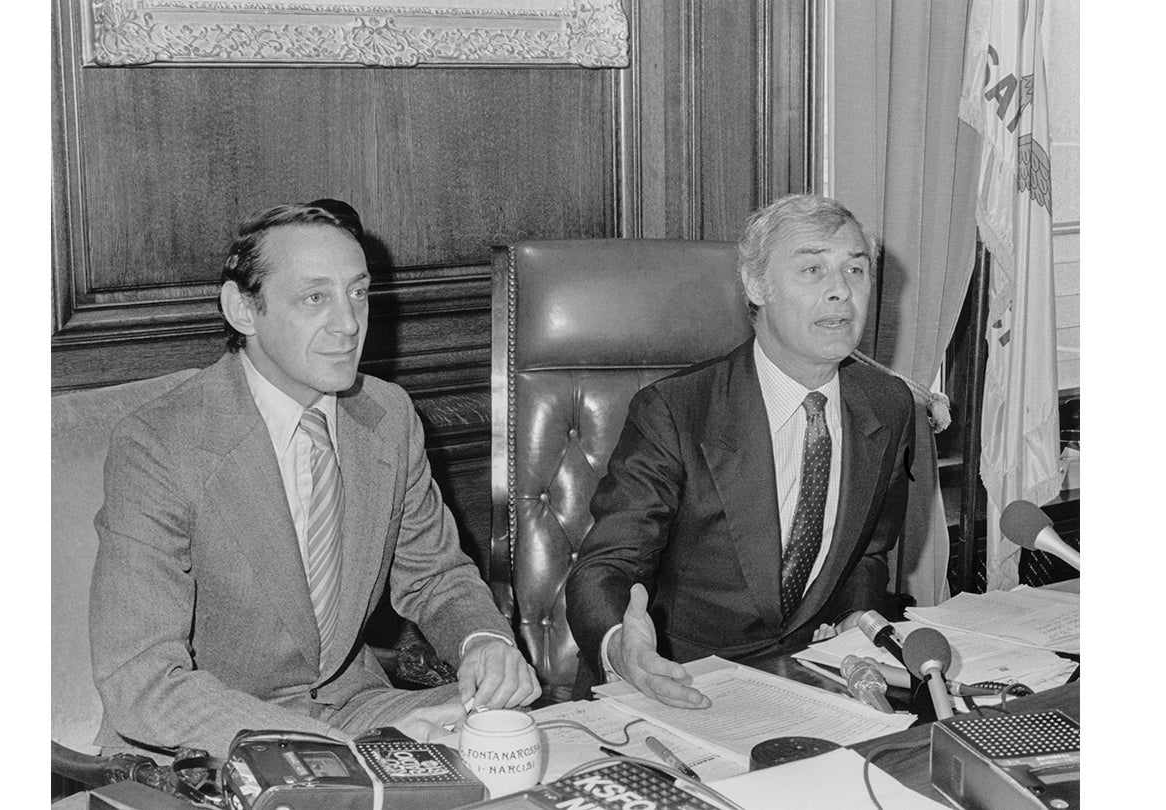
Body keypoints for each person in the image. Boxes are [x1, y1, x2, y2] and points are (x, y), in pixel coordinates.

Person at [89, 200, 540, 758]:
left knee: (521, 737)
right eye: (314, 298)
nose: (349, 324)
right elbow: (143, 681)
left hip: (357, 708)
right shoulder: (160, 443)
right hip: (202, 742)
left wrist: (485, 642)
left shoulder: (389, 414)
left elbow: (436, 576)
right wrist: (338, 750)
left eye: (358, 292)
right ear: (243, 310)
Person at [565, 194, 915, 709]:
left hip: (815, 682)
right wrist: (622, 646)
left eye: (855, 270)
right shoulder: (676, 411)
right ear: (756, 286)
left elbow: (867, 552)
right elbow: (605, 569)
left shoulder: (887, 404)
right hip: (683, 685)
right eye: (813, 269)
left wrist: (851, 624)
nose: (841, 291)